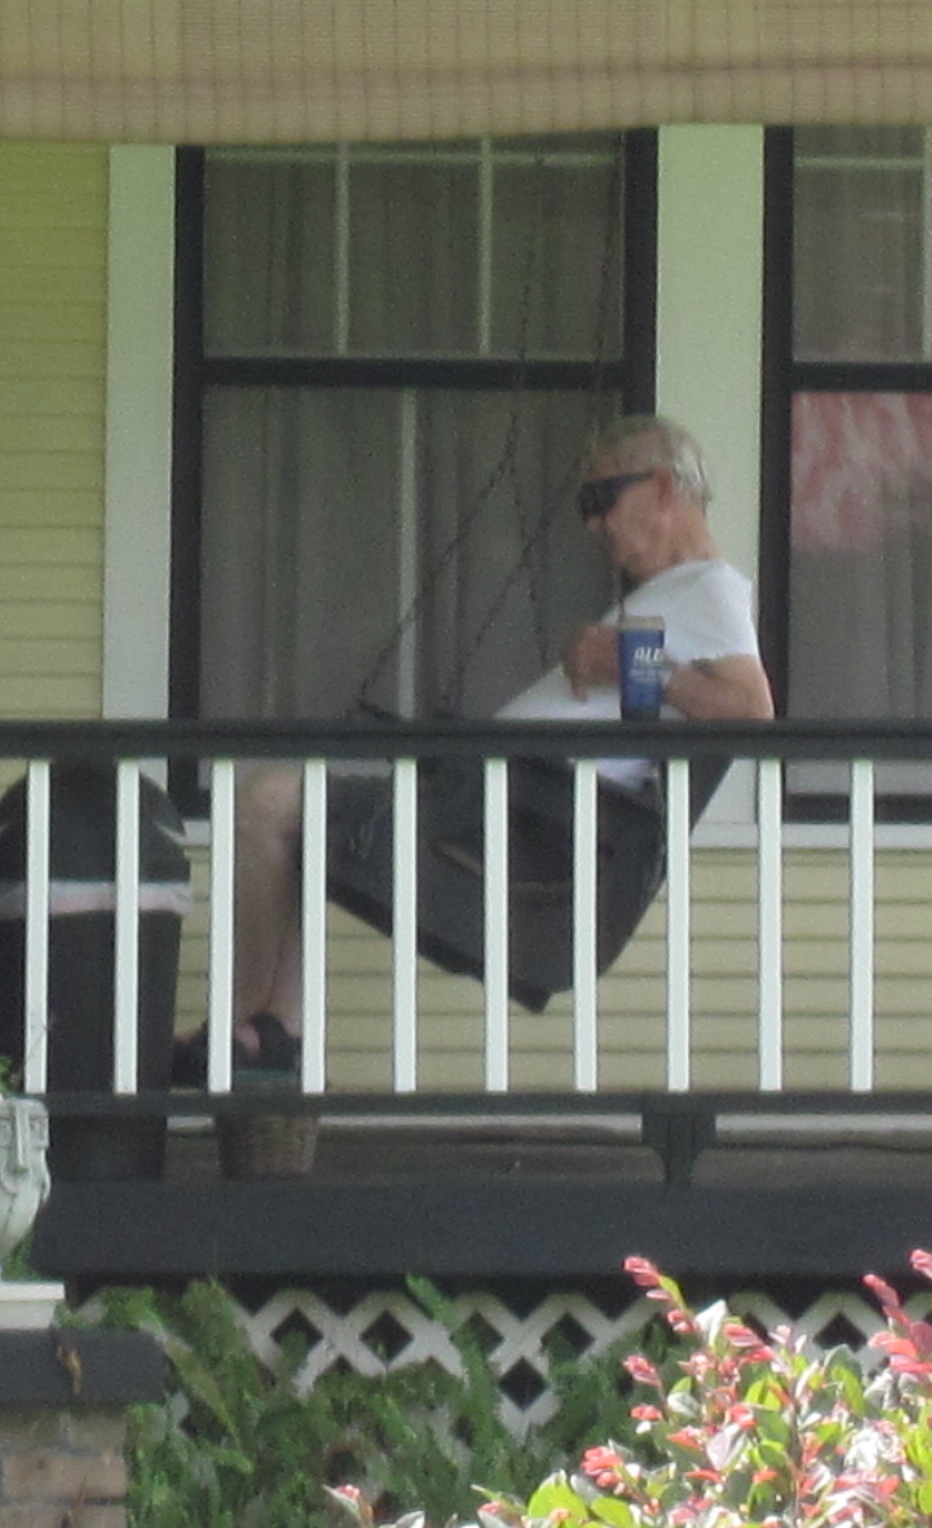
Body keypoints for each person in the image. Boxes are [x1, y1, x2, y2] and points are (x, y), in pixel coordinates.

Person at [195, 414, 774, 1076]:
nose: (590, 524)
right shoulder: (673, 596)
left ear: (664, 489)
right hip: (491, 808)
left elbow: (752, 712)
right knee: (290, 816)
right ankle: (274, 1029)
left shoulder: (711, 590)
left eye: (599, 500)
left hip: (510, 831)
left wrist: (631, 663)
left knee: (268, 802)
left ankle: (242, 1022)